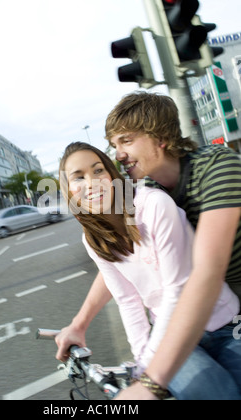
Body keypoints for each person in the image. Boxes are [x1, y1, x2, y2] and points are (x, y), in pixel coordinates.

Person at [56, 141, 241, 400]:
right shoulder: (92, 241)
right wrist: (143, 362)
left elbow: (177, 291)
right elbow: (127, 301)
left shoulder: (153, 204)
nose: (92, 182)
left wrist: (149, 379)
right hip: (168, 337)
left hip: (224, 324)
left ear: (111, 174)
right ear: (69, 190)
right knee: (219, 394)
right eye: (78, 177)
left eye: (98, 170)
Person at [103, 91, 241, 399]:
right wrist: (80, 322)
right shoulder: (150, 191)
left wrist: (151, 384)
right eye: (114, 146)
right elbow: (124, 258)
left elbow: (207, 271)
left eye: (126, 140)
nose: (118, 154)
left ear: (160, 137)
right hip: (195, 317)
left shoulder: (217, 166)